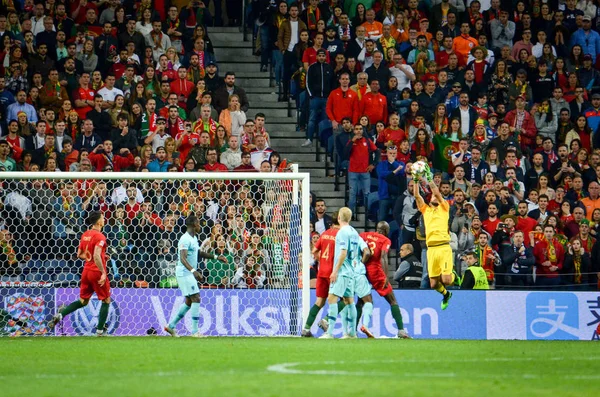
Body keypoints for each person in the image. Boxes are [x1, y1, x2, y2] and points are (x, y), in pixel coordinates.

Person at [48, 212, 111, 336]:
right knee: (106, 300)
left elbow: (80, 254)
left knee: (83, 301)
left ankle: (61, 314)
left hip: (86, 272)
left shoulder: (85, 235)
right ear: (98, 222)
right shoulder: (100, 237)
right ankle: (100, 330)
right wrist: (103, 272)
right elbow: (96, 255)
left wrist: (94, 257)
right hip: (96, 272)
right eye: (103, 218)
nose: (104, 220)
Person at [164, 215, 228, 338]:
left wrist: (216, 257)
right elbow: (182, 258)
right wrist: (194, 271)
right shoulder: (185, 239)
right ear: (193, 224)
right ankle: (195, 332)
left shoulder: (194, 238)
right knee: (197, 298)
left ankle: (170, 326)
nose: (200, 225)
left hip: (188, 272)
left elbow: (199, 253)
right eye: (198, 223)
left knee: (189, 301)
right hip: (184, 272)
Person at [320, 208, 370, 339]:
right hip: (351, 271)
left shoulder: (342, 232)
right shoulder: (354, 232)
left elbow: (343, 252)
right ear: (350, 218)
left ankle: (329, 333)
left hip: (342, 271)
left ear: (338, 218)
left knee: (332, 298)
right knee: (349, 301)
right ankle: (352, 333)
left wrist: (335, 271)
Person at [360, 222, 410, 338]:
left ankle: (352, 332)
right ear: (386, 231)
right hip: (376, 272)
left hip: (363, 270)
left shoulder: (364, 235)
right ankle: (401, 331)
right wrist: (386, 276)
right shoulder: (385, 240)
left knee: (361, 301)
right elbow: (383, 256)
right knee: (392, 300)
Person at [414, 178, 454, 309]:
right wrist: (415, 180)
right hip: (431, 249)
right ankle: (446, 294)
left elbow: (437, 192)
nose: (435, 197)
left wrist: (428, 179)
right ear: (429, 201)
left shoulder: (444, 207)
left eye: (436, 196)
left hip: (443, 247)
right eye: (432, 197)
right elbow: (416, 195)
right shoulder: (426, 210)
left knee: (447, 280)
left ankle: (455, 276)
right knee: (433, 284)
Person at [301, 212, 343, 337]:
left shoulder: (324, 234)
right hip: (333, 274)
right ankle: (326, 320)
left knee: (319, 302)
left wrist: (322, 261)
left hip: (321, 272)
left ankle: (306, 329)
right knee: (346, 299)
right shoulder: (341, 235)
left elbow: (314, 250)